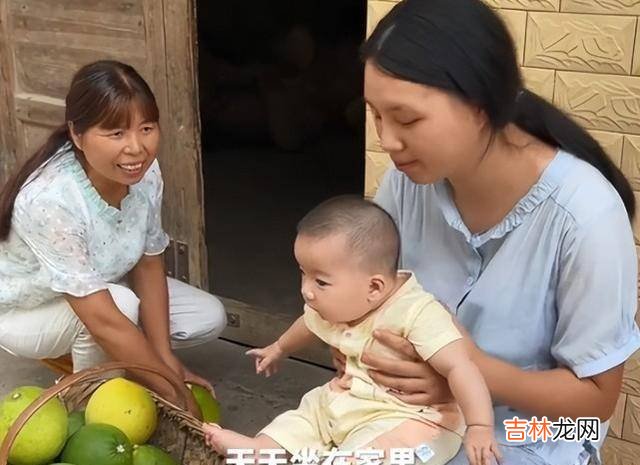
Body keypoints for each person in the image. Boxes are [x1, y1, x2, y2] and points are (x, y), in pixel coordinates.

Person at [346, 0, 640, 464]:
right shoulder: (405, 184)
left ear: (480, 105)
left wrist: (469, 372)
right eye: (376, 115)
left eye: (407, 119)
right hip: (412, 415)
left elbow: (597, 404)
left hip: (532, 429)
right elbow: (366, 299)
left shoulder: (585, 216)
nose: (387, 140)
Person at [204, 196, 501, 465]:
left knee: (379, 453)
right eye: (303, 274)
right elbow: (307, 324)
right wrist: (279, 348)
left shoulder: (417, 311)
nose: (306, 291)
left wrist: (479, 426)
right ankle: (263, 449)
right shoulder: (337, 304)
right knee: (307, 416)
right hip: (347, 399)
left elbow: (461, 366)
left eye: (320, 281)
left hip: (408, 417)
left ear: (374, 287)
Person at [0, 60, 226, 412]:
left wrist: (167, 362)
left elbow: (150, 263)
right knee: (118, 308)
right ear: (77, 134)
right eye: (116, 133)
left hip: (102, 285)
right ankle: (89, 401)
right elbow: (103, 317)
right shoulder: (49, 199)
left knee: (207, 316)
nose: (136, 148)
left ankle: (129, 366)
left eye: (147, 128)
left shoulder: (143, 172)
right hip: (26, 311)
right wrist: (175, 394)